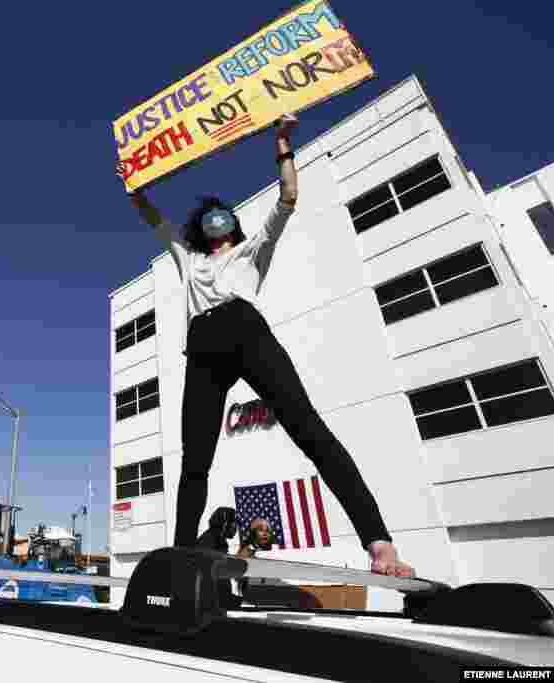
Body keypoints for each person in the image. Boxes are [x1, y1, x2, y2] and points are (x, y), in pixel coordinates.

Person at [121, 113, 413, 578]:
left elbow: (289, 198)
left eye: (225, 214)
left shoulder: (253, 250)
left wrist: (281, 142)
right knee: (195, 459)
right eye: (210, 216)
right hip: (202, 347)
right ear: (203, 227)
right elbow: (156, 220)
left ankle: (379, 544)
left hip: (245, 329)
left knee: (309, 428)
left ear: (233, 224)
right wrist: (136, 189)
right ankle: (180, 556)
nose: (218, 218)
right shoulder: (189, 258)